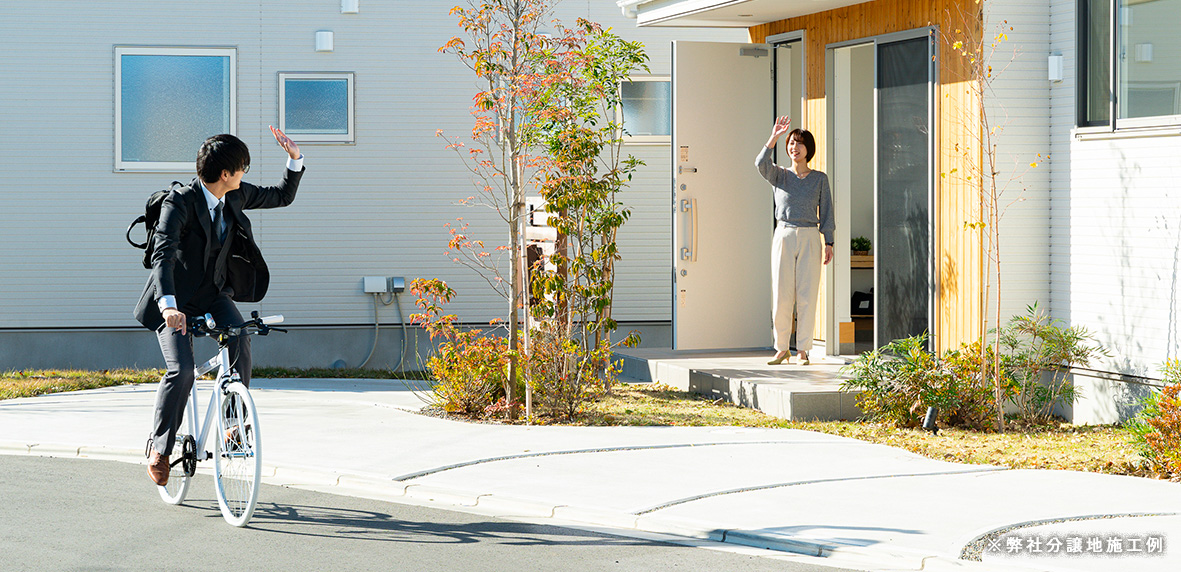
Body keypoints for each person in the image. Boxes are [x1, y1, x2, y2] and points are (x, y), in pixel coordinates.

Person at [134, 127, 304, 486]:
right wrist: (168, 307)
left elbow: (281, 196)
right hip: (175, 300)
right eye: (242, 167)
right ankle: (160, 448)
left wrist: (294, 158)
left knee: (240, 338)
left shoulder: (235, 194)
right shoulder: (179, 202)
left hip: (213, 295)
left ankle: (232, 427)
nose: (244, 173)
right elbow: (163, 256)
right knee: (182, 371)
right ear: (225, 173)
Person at [756, 116, 834, 366]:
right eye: (791, 143)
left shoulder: (819, 178)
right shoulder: (779, 175)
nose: (794, 147)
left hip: (810, 235)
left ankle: (803, 350)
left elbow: (827, 211)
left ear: (808, 148)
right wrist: (774, 137)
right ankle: (782, 349)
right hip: (784, 234)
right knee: (782, 293)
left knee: (807, 294)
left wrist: (829, 241)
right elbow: (760, 163)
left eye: (799, 143)